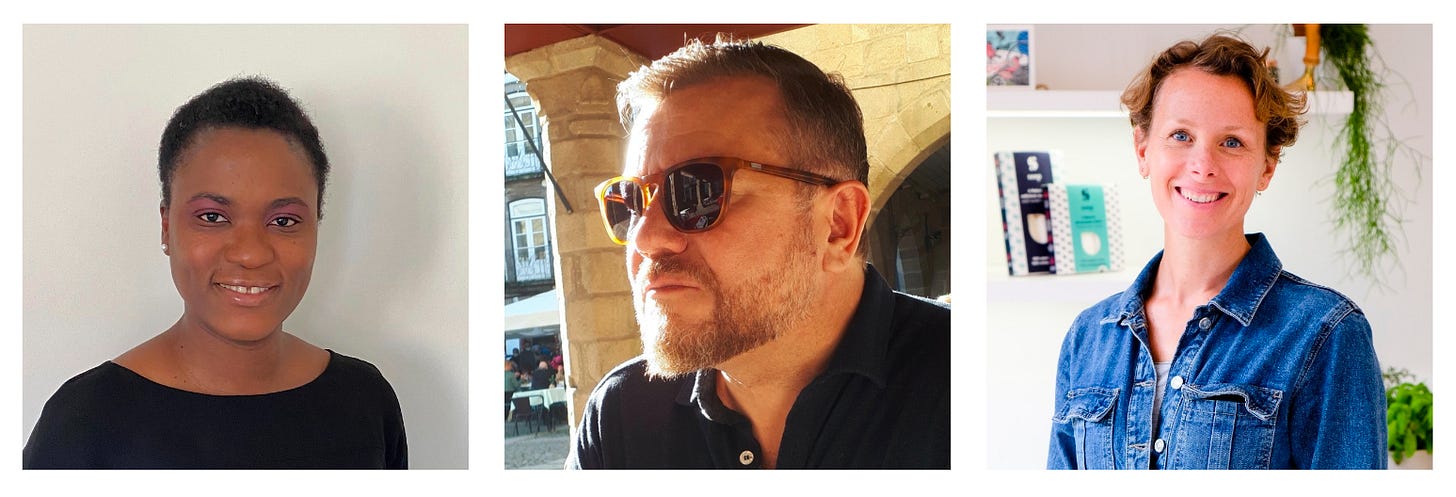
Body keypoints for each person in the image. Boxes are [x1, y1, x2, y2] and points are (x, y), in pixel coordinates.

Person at [567, 36, 950, 469]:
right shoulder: (621, 419)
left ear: (838, 225)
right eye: (631, 202)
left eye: (697, 192)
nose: (645, 237)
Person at [23, 77, 408, 469]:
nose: (251, 254)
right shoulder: (85, 422)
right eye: (212, 217)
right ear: (167, 227)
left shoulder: (366, 403)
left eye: (284, 221)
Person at [1046, 34, 1385, 469]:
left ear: (1267, 166)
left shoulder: (1326, 334)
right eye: (1181, 135)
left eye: (1232, 142)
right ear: (1143, 150)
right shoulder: (1088, 337)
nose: (1202, 165)